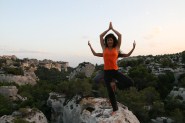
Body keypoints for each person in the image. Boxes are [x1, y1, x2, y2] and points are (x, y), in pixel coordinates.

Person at [88, 22, 135, 115]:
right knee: (110, 92)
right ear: (106, 41)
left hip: (115, 71)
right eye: (108, 40)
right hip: (107, 72)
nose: (110, 41)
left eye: (111, 40)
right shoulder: (104, 48)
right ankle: (115, 109)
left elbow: (120, 35)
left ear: (113, 41)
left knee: (130, 82)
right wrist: (108, 29)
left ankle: (116, 85)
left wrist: (112, 29)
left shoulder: (117, 48)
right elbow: (101, 36)